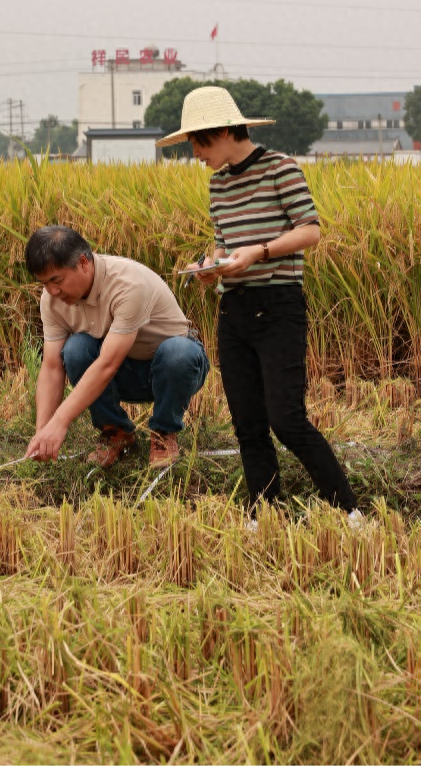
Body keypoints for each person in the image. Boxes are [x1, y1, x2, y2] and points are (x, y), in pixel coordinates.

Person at [156, 87, 360, 522]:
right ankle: (263, 515)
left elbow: (310, 231)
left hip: (279, 306)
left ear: (227, 130)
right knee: (248, 424)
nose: (194, 153)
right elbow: (223, 246)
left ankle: (348, 512)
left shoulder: (280, 169)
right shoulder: (217, 186)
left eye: (199, 141)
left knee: (287, 419)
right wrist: (210, 268)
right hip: (233, 311)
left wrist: (258, 252)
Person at [24, 225, 210, 469]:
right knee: (75, 350)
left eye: (56, 280)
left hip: (173, 370)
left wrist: (60, 422)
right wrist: (43, 431)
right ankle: (116, 433)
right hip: (124, 373)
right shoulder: (52, 301)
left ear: (83, 263)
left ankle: (164, 433)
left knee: (177, 352)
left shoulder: (127, 284)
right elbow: (51, 368)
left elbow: (107, 364)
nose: (52, 291)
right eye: (44, 283)